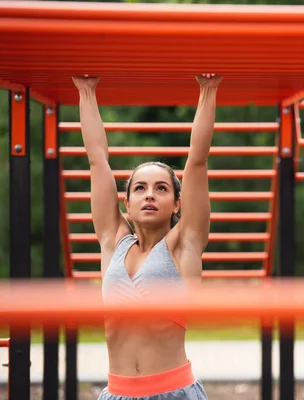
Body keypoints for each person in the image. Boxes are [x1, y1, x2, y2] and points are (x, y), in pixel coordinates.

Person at [72, 73, 222, 400]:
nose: (150, 195)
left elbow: (197, 161)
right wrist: (86, 91)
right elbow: (97, 161)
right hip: (117, 393)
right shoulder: (113, 241)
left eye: (161, 188)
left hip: (172, 392)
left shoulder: (185, 244)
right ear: (126, 203)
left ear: (177, 203)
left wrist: (208, 89)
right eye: (140, 188)